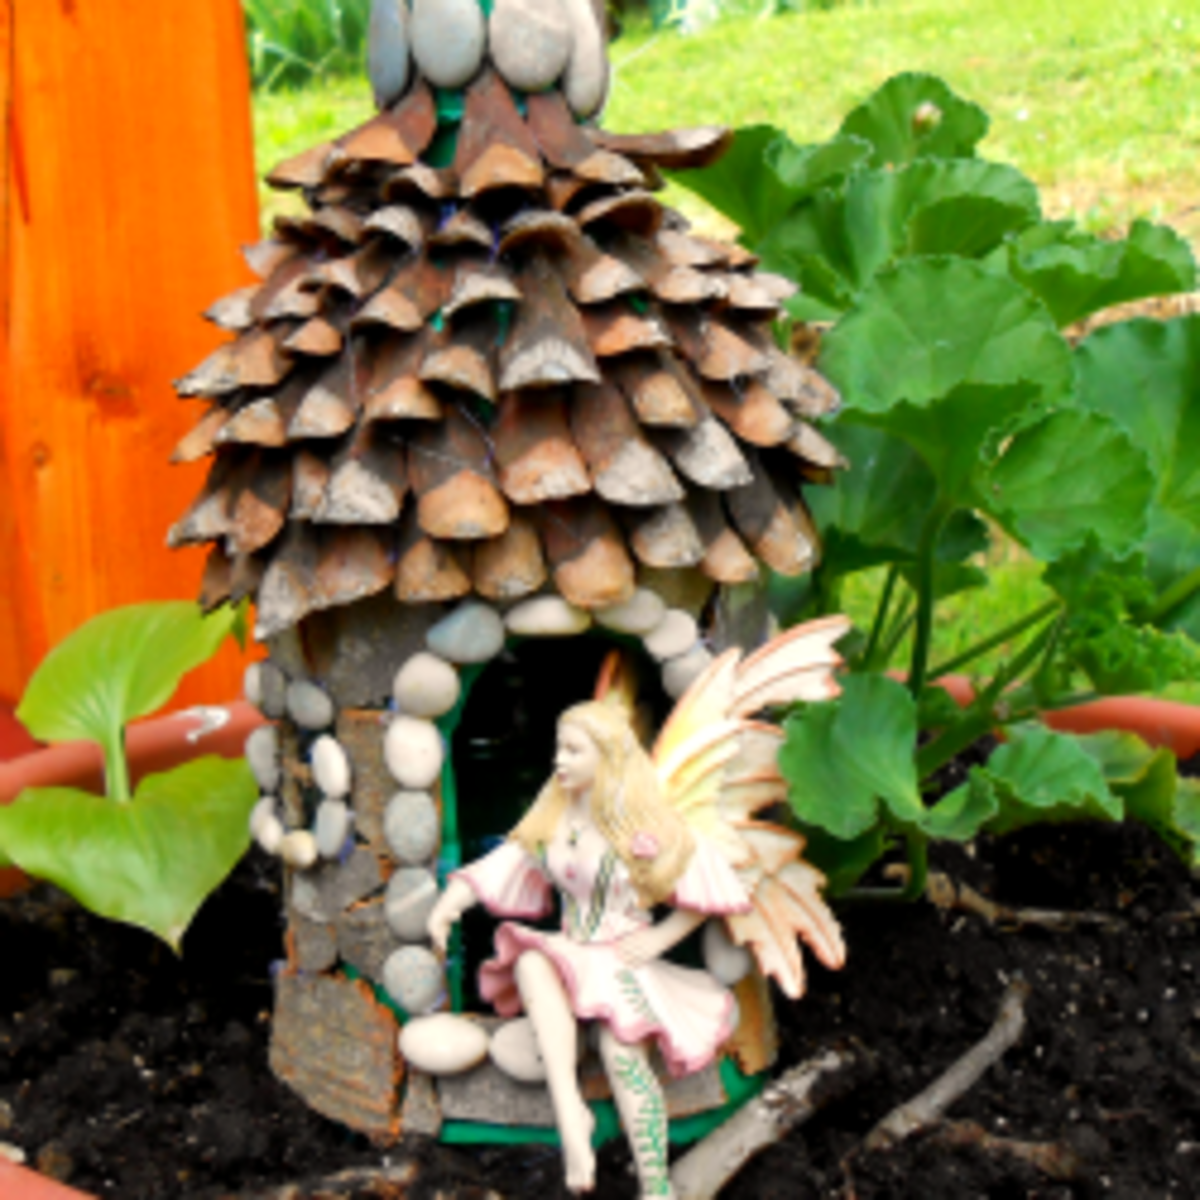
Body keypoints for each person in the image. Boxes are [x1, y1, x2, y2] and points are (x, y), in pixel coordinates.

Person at [427, 700, 754, 1198]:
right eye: (559, 748)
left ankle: (655, 1184)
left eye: (574, 751)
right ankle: (569, 1111)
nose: (559, 760)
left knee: (622, 1052)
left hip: (622, 957)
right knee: (533, 960)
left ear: (607, 758)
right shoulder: (555, 821)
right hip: (574, 948)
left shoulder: (644, 828)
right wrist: (449, 904)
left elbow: (708, 880)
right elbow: (507, 862)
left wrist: (662, 938)